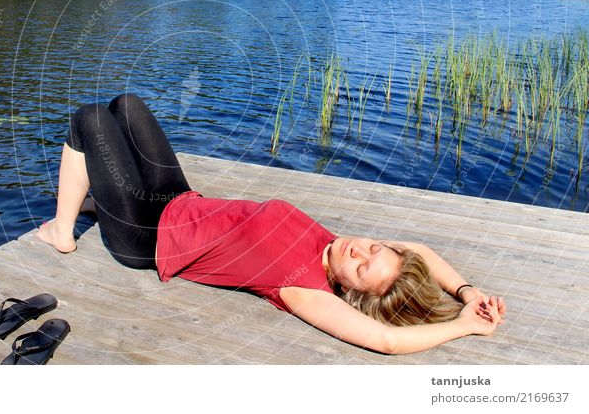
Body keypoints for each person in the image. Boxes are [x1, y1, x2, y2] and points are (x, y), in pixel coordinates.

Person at [37, 93, 506, 355]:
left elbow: (386, 339)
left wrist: (464, 326)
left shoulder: (304, 288)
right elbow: (419, 250)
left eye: (362, 270)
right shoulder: (334, 244)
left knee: (90, 120)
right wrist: (466, 291)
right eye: (375, 249)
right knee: (126, 106)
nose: (359, 252)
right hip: (180, 202)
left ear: (351, 292)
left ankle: (63, 233)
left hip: (149, 238)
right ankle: (97, 201)